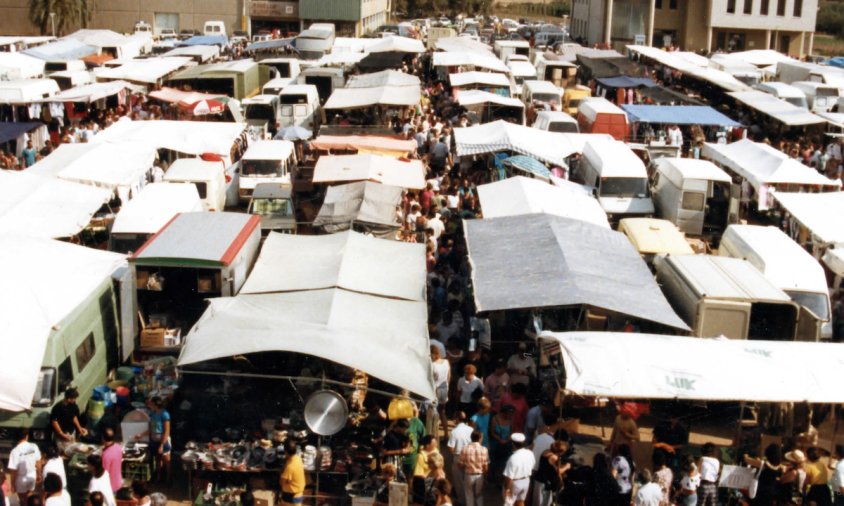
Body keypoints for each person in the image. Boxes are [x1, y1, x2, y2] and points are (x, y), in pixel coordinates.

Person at [8, 428, 40, 505]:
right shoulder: (33, 447)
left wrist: (12, 484)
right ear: (26, 436)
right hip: (32, 476)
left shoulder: (15, 451)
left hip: (20, 479)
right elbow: (38, 462)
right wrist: (39, 474)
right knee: (30, 498)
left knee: (23, 500)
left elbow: (13, 470)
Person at [448, 412, 473, 506]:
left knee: (458, 481)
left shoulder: (454, 432)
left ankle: (462, 501)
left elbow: (451, 448)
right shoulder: (471, 429)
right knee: (468, 479)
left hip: (458, 456)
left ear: (458, 419)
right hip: (470, 456)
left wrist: (456, 454)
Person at [533, 441, 570, 506]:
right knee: (542, 503)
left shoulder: (546, 451)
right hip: (544, 483)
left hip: (539, 480)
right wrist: (566, 467)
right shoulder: (553, 457)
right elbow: (558, 471)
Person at [503, 433, 535, 506]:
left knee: (509, 503)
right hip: (526, 480)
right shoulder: (530, 453)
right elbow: (532, 466)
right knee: (521, 502)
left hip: (515, 483)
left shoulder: (513, 458)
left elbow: (509, 477)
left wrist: (507, 489)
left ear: (513, 444)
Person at [459, 430, 488, 506]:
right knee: (479, 494)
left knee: (469, 495)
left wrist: (466, 467)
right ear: (480, 438)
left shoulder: (465, 448)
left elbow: (460, 464)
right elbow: (485, 466)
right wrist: (484, 476)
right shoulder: (484, 449)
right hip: (479, 475)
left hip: (468, 475)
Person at [490, 404, 515, 480]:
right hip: (495, 444)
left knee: (504, 463)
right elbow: (492, 432)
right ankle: (492, 477)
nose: (510, 416)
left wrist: (507, 440)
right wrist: (500, 440)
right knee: (493, 461)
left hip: (506, 445)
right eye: (509, 414)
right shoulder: (495, 419)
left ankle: (500, 478)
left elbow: (511, 432)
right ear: (504, 413)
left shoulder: (511, 420)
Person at [413, 436, 439, 505]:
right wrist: (430, 479)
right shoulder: (420, 456)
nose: (436, 444)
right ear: (427, 446)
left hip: (432, 482)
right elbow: (418, 473)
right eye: (434, 443)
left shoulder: (435, 451)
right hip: (421, 484)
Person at [431, 346, 450, 438]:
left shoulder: (432, 365)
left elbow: (431, 378)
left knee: (434, 413)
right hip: (445, 389)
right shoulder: (446, 362)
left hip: (436, 390)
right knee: (442, 412)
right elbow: (448, 376)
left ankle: (434, 435)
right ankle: (446, 433)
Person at [280, 440, 305, 506]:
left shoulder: (290, 467)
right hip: (299, 494)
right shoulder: (298, 459)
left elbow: (282, 482)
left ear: (286, 452)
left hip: (291, 498)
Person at [100, 428, 123, 493]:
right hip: (118, 482)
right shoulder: (118, 447)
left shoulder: (106, 455)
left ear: (103, 438)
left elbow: (104, 473)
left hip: (110, 487)